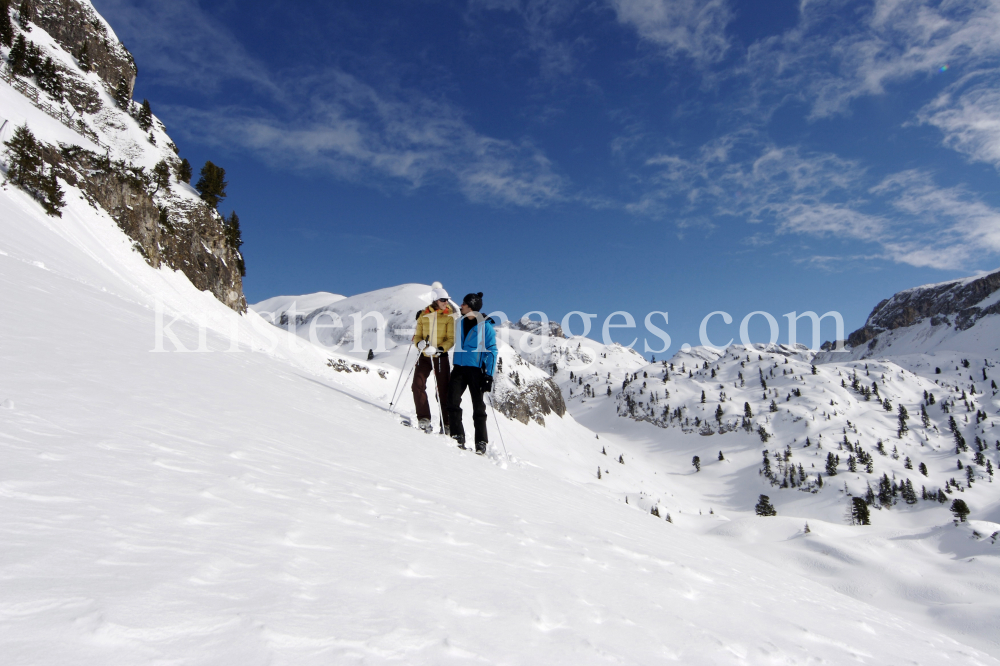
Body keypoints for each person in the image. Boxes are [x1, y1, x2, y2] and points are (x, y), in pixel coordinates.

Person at [449, 292, 497, 454]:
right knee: (452, 401)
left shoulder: (486, 326)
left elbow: (491, 351)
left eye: (464, 304)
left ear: (471, 307)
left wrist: (489, 375)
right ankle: (457, 435)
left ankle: (481, 442)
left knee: (478, 406)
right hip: (458, 368)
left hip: (476, 371)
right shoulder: (459, 322)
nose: (461, 306)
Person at [411, 287, 455, 434]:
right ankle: (424, 418)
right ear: (435, 300)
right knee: (417, 384)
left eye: (447, 300)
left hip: (440, 357)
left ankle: (446, 423)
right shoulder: (423, 315)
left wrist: (439, 349)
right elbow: (417, 336)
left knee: (443, 390)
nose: (446, 302)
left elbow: (451, 339)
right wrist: (419, 344)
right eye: (443, 300)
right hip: (424, 356)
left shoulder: (449, 316)